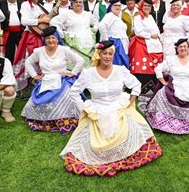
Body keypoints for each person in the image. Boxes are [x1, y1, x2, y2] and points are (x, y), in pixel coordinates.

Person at [60, 41, 163, 177]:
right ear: (98, 55)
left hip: (118, 106)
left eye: (110, 54)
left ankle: (126, 151)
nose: (108, 57)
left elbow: (136, 85)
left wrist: (130, 102)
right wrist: (84, 108)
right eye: (104, 53)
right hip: (97, 110)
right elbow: (73, 92)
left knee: (132, 132)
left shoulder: (120, 70)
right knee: (91, 144)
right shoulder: (88, 73)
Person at [21, 26, 85, 133]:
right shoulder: (39, 51)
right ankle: (46, 121)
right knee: (31, 105)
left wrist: (72, 73)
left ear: (57, 39)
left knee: (67, 97)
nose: (51, 40)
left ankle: (64, 119)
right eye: (48, 38)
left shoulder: (64, 50)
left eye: (53, 38)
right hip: (46, 80)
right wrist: (34, 75)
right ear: (44, 40)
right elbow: (28, 62)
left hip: (62, 80)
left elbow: (80, 60)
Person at [145, 38, 189, 134]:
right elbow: (158, 69)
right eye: (180, 47)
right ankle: (164, 120)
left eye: (185, 46)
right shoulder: (171, 60)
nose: (183, 48)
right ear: (177, 48)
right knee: (161, 94)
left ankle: (185, 120)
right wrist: (163, 82)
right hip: (173, 85)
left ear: (188, 48)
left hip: (188, 86)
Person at [13, 0, 48, 91]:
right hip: (30, 36)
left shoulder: (40, 6)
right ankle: (27, 84)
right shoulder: (25, 4)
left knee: (40, 60)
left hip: (40, 36)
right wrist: (41, 20)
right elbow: (24, 21)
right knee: (29, 59)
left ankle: (38, 83)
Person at [51, 0, 98, 66]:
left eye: (80, 2)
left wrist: (93, 31)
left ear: (83, 4)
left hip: (88, 43)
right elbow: (53, 22)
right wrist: (62, 34)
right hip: (73, 44)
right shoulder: (67, 14)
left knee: (88, 66)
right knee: (76, 65)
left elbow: (96, 22)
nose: (78, 4)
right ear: (72, 4)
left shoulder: (87, 14)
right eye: (76, 2)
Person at [129, 0, 163, 94]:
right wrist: (150, 36)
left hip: (154, 45)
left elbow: (156, 29)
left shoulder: (151, 17)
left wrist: (158, 36)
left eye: (149, 6)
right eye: (145, 6)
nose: (147, 7)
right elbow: (138, 32)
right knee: (144, 66)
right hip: (142, 44)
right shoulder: (138, 17)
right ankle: (143, 89)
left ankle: (153, 88)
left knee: (153, 66)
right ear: (141, 6)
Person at [99, 0, 129, 68]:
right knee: (117, 65)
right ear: (111, 6)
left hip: (122, 45)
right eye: (115, 5)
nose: (117, 7)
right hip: (116, 44)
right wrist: (106, 42)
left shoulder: (118, 17)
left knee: (123, 66)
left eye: (119, 5)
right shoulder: (109, 15)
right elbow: (101, 26)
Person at [0, 0, 22, 64]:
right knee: (8, 54)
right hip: (8, 32)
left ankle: (21, 72)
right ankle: (9, 71)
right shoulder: (0, 4)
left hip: (20, 32)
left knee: (22, 53)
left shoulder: (22, 4)